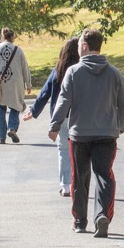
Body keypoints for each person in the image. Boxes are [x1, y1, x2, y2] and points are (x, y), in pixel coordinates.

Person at [48, 29, 124, 238]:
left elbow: (64, 100)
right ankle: (102, 215)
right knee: (104, 176)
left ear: (84, 45)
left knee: (80, 178)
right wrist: (119, 125)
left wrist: (55, 125)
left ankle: (79, 221)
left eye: (78, 45)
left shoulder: (73, 72)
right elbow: (122, 103)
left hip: (79, 134)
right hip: (106, 134)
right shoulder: (114, 73)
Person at [22, 36, 79, 196]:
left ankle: (66, 185)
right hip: (79, 116)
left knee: (63, 151)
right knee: (79, 151)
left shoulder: (58, 71)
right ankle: (77, 183)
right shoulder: (81, 71)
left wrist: (33, 112)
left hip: (60, 117)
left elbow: (44, 93)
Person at [0, 27, 32, 145]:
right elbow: (25, 68)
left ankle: (1, 137)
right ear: (12, 38)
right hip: (15, 83)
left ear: (2, 37)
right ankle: (12, 129)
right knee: (16, 106)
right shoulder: (18, 50)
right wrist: (28, 84)